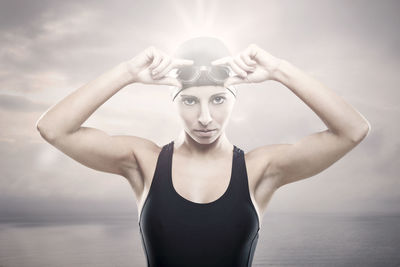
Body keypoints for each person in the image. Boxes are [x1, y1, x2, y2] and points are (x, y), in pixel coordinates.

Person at [36, 36, 371, 267]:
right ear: (174, 100)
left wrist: (278, 70)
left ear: (234, 98)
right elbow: (54, 128)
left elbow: (352, 131)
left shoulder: (259, 169)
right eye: (191, 100)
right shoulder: (145, 162)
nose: (206, 118)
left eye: (218, 99)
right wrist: (127, 73)